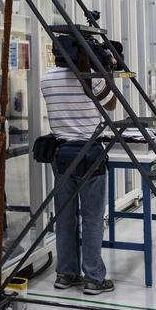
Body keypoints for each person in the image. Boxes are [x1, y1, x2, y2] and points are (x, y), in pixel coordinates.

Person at [39, 35, 115, 295]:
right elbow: (112, 104)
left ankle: (65, 274)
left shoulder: (46, 79)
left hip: (62, 155)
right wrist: (107, 69)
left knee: (65, 218)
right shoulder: (90, 78)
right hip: (90, 154)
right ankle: (94, 277)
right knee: (92, 219)